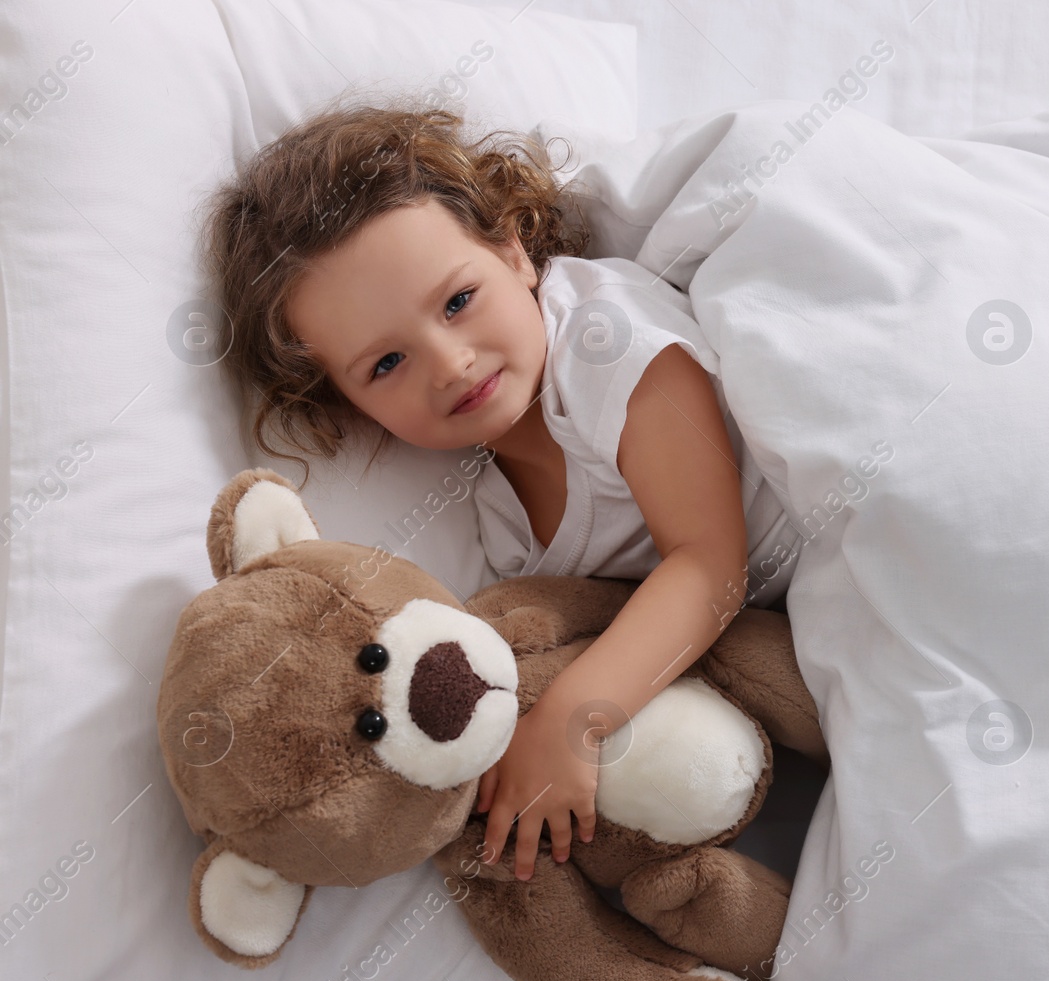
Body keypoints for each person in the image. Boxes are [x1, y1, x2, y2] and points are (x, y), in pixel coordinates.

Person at [202, 101, 802, 884]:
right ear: (354, 407)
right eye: (386, 364)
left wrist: (569, 719)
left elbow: (708, 563)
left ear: (514, 250)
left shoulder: (605, 341)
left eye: (457, 302)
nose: (449, 363)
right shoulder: (504, 524)